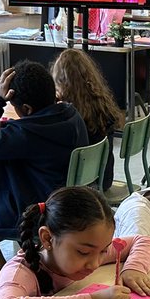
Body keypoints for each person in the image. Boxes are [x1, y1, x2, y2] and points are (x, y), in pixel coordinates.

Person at [0, 186, 150, 299]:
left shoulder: (92, 249)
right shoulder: (21, 272)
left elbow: (144, 241)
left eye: (104, 250)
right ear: (47, 239)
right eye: (83, 252)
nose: (95, 263)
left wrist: (134, 268)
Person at [0, 60, 88, 273]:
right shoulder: (69, 114)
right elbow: (26, 131)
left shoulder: (28, 133)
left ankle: (5, 281)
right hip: (64, 202)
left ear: (27, 109)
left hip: (37, 210)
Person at [51, 49, 124, 192]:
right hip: (103, 178)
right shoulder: (101, 103)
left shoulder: (67, 116)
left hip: (80, 186)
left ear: (60, 81)